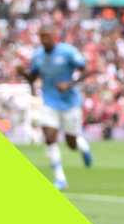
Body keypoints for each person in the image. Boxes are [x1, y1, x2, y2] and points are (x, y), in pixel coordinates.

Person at [19, 27, 92, 190]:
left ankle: (83, 147)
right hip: (49, 102)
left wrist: (70, 84)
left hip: (70, 102)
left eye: (47, 36)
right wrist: (23, 73)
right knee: (50, 137)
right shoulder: (37, 56)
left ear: (54, 37)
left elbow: (86, 70)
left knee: (70, 142)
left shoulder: (68, 52)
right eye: (42, 37)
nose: (45, 40)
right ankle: (60, 179)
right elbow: (32, 78)